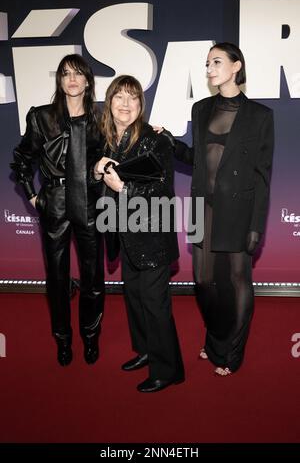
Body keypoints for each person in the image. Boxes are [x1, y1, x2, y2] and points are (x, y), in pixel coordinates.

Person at [171, 42, 274, 375]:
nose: (210, 68)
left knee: (237, 279)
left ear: (236, 66)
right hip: (204, 207)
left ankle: (231, 353)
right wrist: (171, 143)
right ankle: (216, 338)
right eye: (207, 63)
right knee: (203, 281)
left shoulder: (260, 115)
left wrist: (256, 224)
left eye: (217, 62)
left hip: (239, 210)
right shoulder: (201, 109)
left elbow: (262, 174)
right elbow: (198, 159)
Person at [11, 54, 105, 366]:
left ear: (88, 81)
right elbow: (22, 159)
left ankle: (90, 338)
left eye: (78, 74)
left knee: (92, 279)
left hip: (90, 203)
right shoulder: (41, 117)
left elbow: (117, 152)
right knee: (57, 279)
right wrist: (32, 196)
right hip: (55, 202)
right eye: (66, 74)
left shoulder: (99, 121)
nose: (72, 79)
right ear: (60, 81)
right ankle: (63, 340)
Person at [94, 75, 185, 392]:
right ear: (110, 103)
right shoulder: (108, 141)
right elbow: (97, 178)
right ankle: (147, 351)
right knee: (134, 297)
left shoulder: (154, 139)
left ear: (140, 105)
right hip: (125, 232)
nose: (125, 104)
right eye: (119, 97)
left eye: (133, 98)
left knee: (154, 303)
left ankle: (169, 369)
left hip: (152, 234)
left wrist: (123, 187)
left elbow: (162, 189)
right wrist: (96, 170)